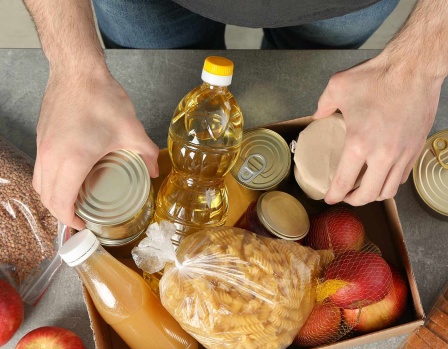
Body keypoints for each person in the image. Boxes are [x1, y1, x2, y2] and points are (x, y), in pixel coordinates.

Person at [24, 0, 447, 230]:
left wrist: (417, 65)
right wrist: (73, 68)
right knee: (153, 57)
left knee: (296, 74)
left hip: (339, 6)